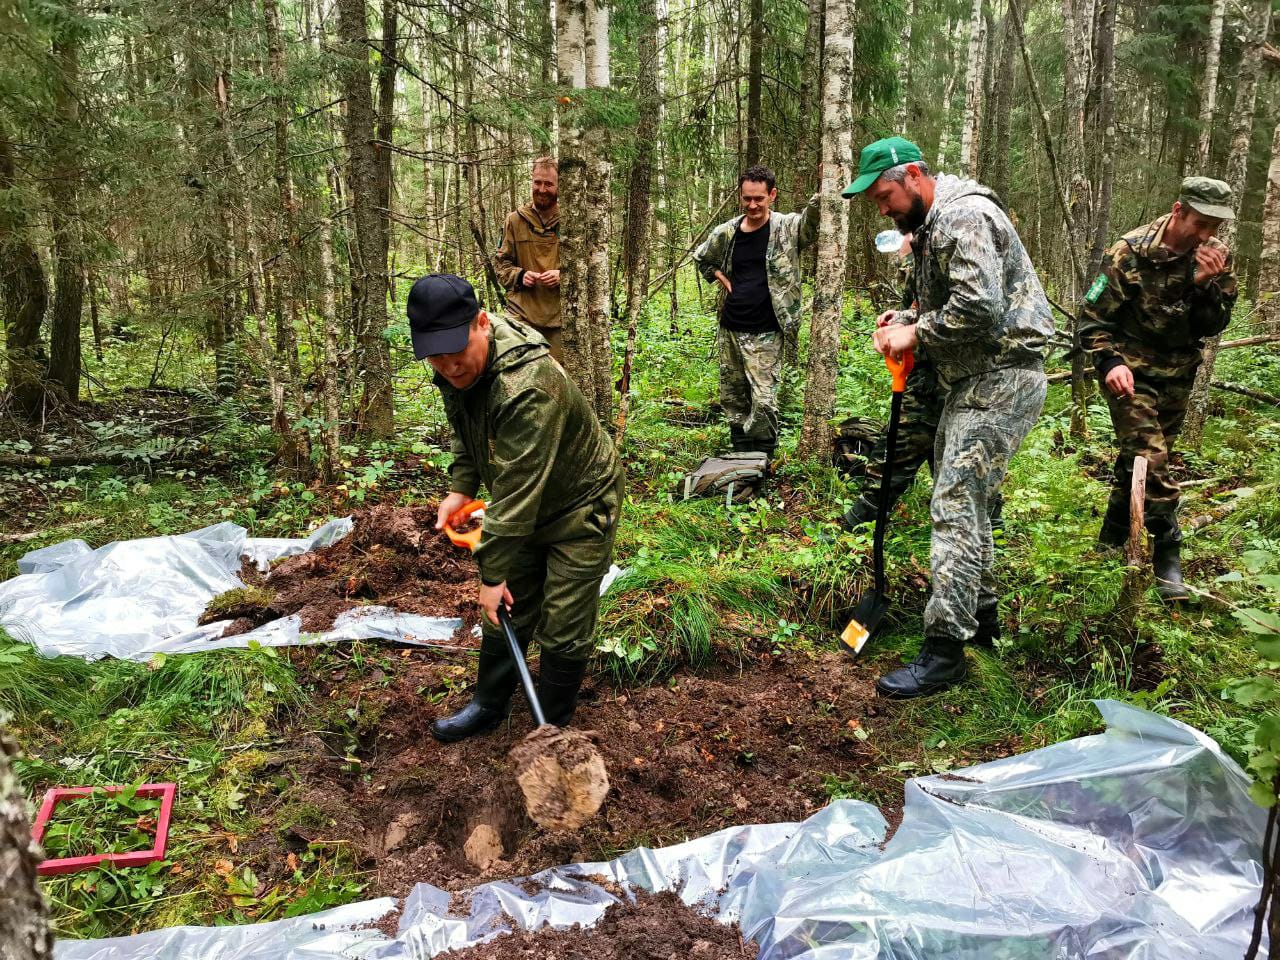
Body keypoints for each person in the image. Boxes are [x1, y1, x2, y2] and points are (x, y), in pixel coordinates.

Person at [845, 136, 1053, 697]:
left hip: (1003, 375)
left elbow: (980, 306)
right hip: (971, 377)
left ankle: (945, 652)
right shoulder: (934, 225)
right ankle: (981, 618)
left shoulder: (966, 216)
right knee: (969, 499)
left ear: (913, 175)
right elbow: (952, 300)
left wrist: (917, 331)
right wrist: (908, 314)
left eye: (885, 195)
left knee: (955, 500)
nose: (882, 208)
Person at [406, 274, 625, 742]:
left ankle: (553, 727)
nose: (448, 367)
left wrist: (490, 576)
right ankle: (488, 703)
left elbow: (519, 494)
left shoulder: (528, 385)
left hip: (579, 504)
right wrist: (462, 487)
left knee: (564, 620)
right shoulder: (456, 364)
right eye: (436, 358)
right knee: (512, 608)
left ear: (481, 323)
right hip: (522, 499)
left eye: (455, 354)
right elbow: (467, 430)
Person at [1079, 177, 1237, 600]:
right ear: (1177, 210)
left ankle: (1108, 542)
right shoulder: (1129, 251)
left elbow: (1213, 326)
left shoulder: (1216, 259)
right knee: (1152, 455)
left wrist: (1206, 285)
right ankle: (1168, 555)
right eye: (1200, 223)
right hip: (1129, 373)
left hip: (1178, 375)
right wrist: (1109, 362)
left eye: (1214, 227)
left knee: (1138, 461)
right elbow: (1092, 319)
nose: (1206, 235)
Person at [840, 232, 1003, 618]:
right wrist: (901, 319)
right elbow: (921, 308)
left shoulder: (958, 250)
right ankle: (864, 513)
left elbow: (966, 312)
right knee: (899, 445)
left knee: (961, 470)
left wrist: (913, 326)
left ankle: (985, 543)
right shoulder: (916, 262)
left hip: (965, 379)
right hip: (923, 376)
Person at [693, 165, 819, 459]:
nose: (752, 205)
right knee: (734, 399)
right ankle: (740, 460)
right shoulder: (727, 231)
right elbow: (702, 258)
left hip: (767, 329)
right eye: (747, 198)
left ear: (772, 195)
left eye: (759, 198)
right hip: (731, 328)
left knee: (763, 401)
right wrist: (718, 276)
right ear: (740, 196)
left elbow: (812, 225)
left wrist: (822, 192)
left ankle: (762, 462)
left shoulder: (787, 228)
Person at [493, 157, 563, 360]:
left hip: (559, 320)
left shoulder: (572, 221)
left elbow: (590, 270)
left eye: (549, 184)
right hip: (521, 315)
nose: (542, 189)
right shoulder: (515, 221)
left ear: (559, 186)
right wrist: (520, 275)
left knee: (558, 382)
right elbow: (501, 265)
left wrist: (562, 276)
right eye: (537, 182)